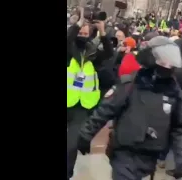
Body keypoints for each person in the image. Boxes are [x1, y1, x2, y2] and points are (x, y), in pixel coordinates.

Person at [77, 36, 182, 180]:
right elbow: (106, 110)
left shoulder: (174, 93)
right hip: (125, 153)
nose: (167, 66)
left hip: (150, 157)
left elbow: (179, 128)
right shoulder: (130, 85)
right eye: (163, 60)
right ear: (151, 58)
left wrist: (181, 156)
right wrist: (86, 134)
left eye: (169, 62)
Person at [66, 2, 113, 179]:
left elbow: (109, 52)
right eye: (80, 33)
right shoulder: (69, 51)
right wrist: (79, 22)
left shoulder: (93, 54)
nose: (83, 35)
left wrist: (102, 31)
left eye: (86, 33)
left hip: (82, 107)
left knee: (71, 144)